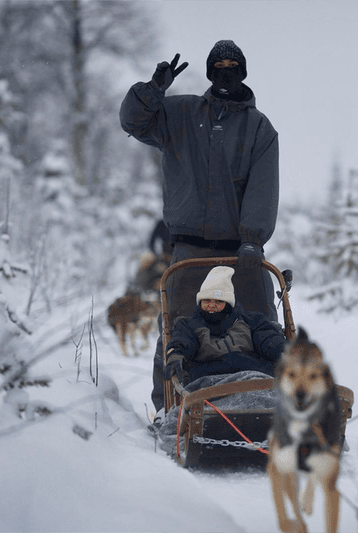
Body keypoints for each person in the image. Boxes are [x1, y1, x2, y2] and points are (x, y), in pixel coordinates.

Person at [119, 40, 279, 327]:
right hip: (187, 252)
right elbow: (133, 122)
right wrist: (154, 90)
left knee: (260, 327)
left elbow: (263, 187)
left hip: (241, 254)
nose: (225, 73)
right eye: (218, 67)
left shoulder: (259, 127)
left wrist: (253, 242)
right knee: (177, 332)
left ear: (242, 72)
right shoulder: (180, 114)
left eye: (232, 67)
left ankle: (267, 372)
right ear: (209, 72)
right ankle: (173, 371)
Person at [156, 266, 286, 410]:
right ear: (200, 302)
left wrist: (285, 352)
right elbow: (182, 339)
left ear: (228, 303)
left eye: (218, 301)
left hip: (253, 377)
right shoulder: (189, 324)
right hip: (208, 381)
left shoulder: (251, 320)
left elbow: (268, 339)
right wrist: (176, 353)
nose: (211, 305)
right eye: (207, 300)